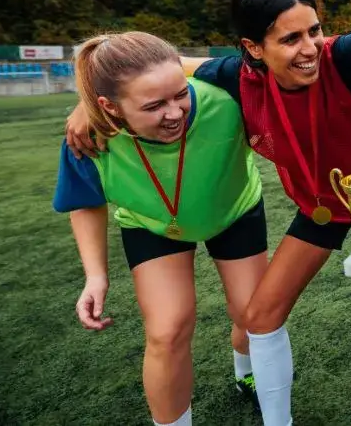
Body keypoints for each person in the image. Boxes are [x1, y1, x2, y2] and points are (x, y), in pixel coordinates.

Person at [65, 0, 351, 426]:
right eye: (290, 38)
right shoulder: (237, 78)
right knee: (260, 315)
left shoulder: (346, 55)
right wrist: (88, 104)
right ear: (253, 49)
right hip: (319, 206)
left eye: (314, 30)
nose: (310, 47)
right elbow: (169, 66)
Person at [52, 32, 269, 426]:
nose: (175, 113)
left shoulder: (224, 101)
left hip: (233, 207)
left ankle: (246, 374)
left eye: (180, 94)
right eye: (154, 105)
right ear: (109, 107)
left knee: (252, 314)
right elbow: (85, 202)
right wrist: (95, 276)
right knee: (167, 331)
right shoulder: (87, 137)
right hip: (151, 223)